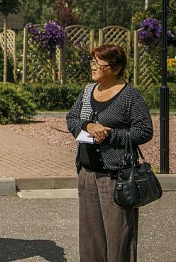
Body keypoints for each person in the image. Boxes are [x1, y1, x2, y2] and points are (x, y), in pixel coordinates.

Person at [67, 44, 153, 262]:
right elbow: (72, 119)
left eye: (99, 63)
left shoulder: (130, 96)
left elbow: (144, 131)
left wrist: (110, 135)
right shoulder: (88, 91)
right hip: (87, 173)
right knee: (90, 239)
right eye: (93, 61)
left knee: (119, 238)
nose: (93, 67)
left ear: (115, 69)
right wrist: (88, 126)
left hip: (116, 176)